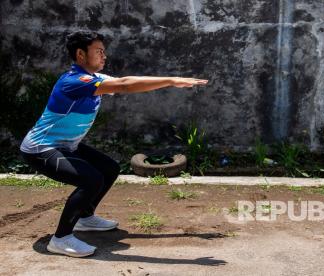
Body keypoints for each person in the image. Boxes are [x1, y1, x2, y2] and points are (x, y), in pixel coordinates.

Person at [19, 30, 208, 257]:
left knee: (109, 168)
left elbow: (125, 82)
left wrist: (168, 81)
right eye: (99, 51)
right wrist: (171, 80)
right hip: (41, 148)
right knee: (91, 179)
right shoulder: (73, 82)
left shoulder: (95, 79)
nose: (104, 56)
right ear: (80, 54)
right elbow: (126, 85)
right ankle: (60, 239)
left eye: (104, 52)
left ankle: (85, 218)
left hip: (66, 145)